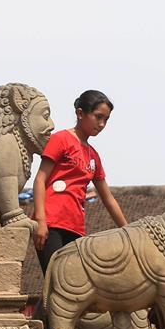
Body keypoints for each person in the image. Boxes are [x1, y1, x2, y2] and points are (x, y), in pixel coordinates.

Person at [32, 90, 128, 273]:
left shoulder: (94, 156)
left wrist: (130, 232)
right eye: (98, 117)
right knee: (57, 280)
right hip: (51, 222)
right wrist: (41, 221)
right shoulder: (61, 139)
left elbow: (108, 199)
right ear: (80, 113)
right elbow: (40, 179)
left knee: (72, 285)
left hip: (75, 227)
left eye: (106, 120)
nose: (101, 124)